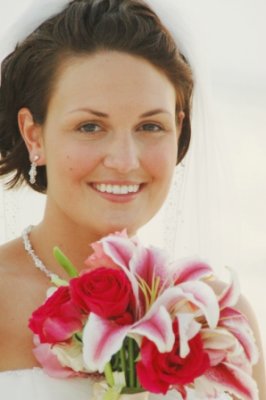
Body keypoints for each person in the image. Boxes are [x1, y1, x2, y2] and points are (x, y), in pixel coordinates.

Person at [0, 0, 265, 399]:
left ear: (178, 130)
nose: (125, 161)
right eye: (90, 126)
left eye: (150, 126)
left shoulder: (215, 316)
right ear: (34, 134)